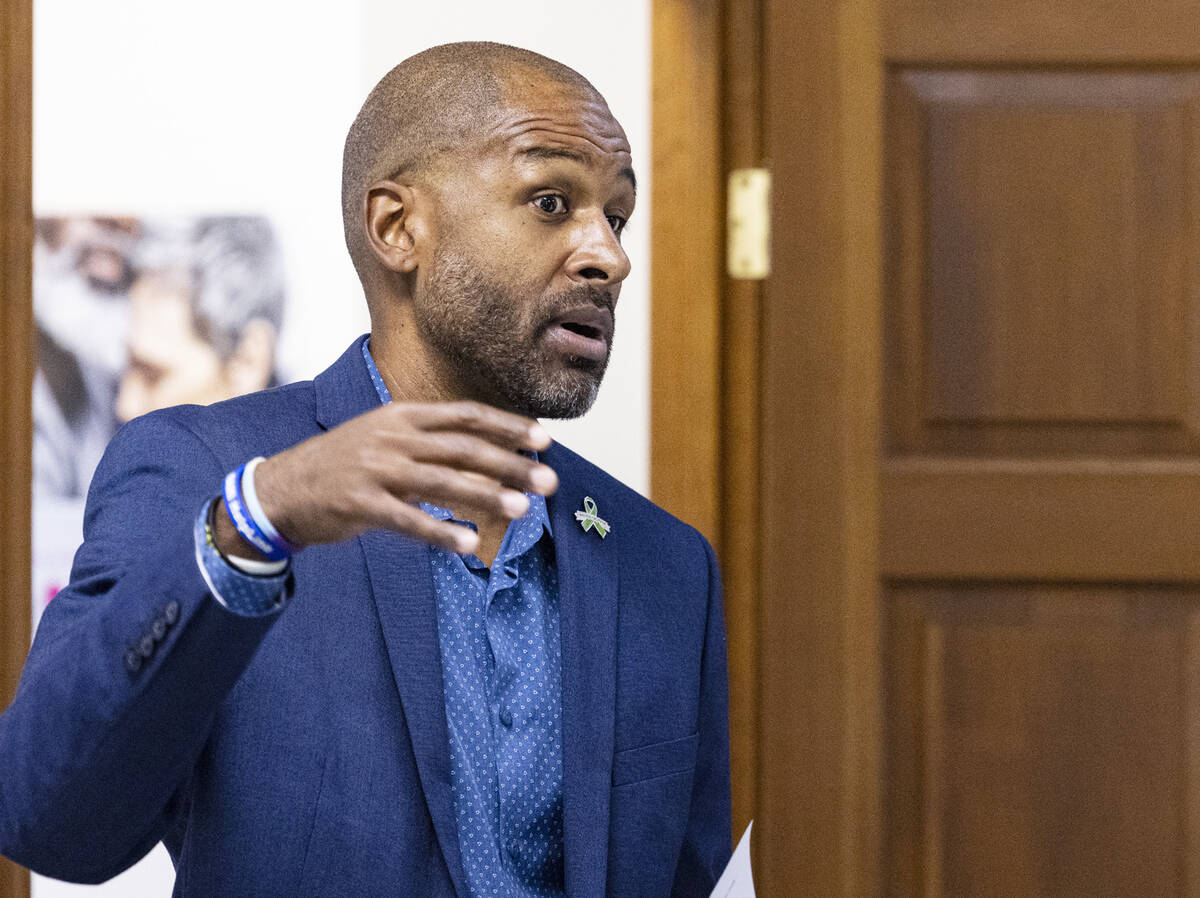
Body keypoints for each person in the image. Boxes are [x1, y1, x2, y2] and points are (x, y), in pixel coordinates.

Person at [0, 42, 731, 897]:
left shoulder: (665, 564)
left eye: (617, 216)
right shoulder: (206, 472)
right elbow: (50, 822)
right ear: (397, 227)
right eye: (551, 201)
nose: (608, 255)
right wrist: (259, 521)